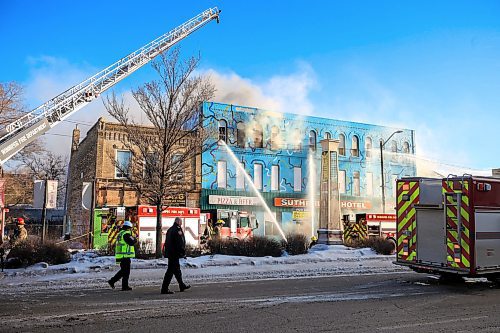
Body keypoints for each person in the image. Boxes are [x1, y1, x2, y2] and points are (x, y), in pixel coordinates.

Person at [161, 217, 191, 294]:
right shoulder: (177, 230)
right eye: (180, 222)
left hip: (170, 253)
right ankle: (164, 289)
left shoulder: (170, 229)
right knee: (170, 271)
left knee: (177, 270)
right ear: (178, 222)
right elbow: (180, 242)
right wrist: (182, 252)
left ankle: (181, 285)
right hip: (174, 253)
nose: (181, 223)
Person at [108, 221, 137, 291]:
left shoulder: (120, 233)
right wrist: (134, 238)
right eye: (130, 228)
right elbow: (133, 241)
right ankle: (124, 286)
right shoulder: (126, 234)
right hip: (125, 256)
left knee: (123, 271)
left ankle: (112, 281)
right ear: (128, 228)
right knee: (126, 272)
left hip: (121, 255)